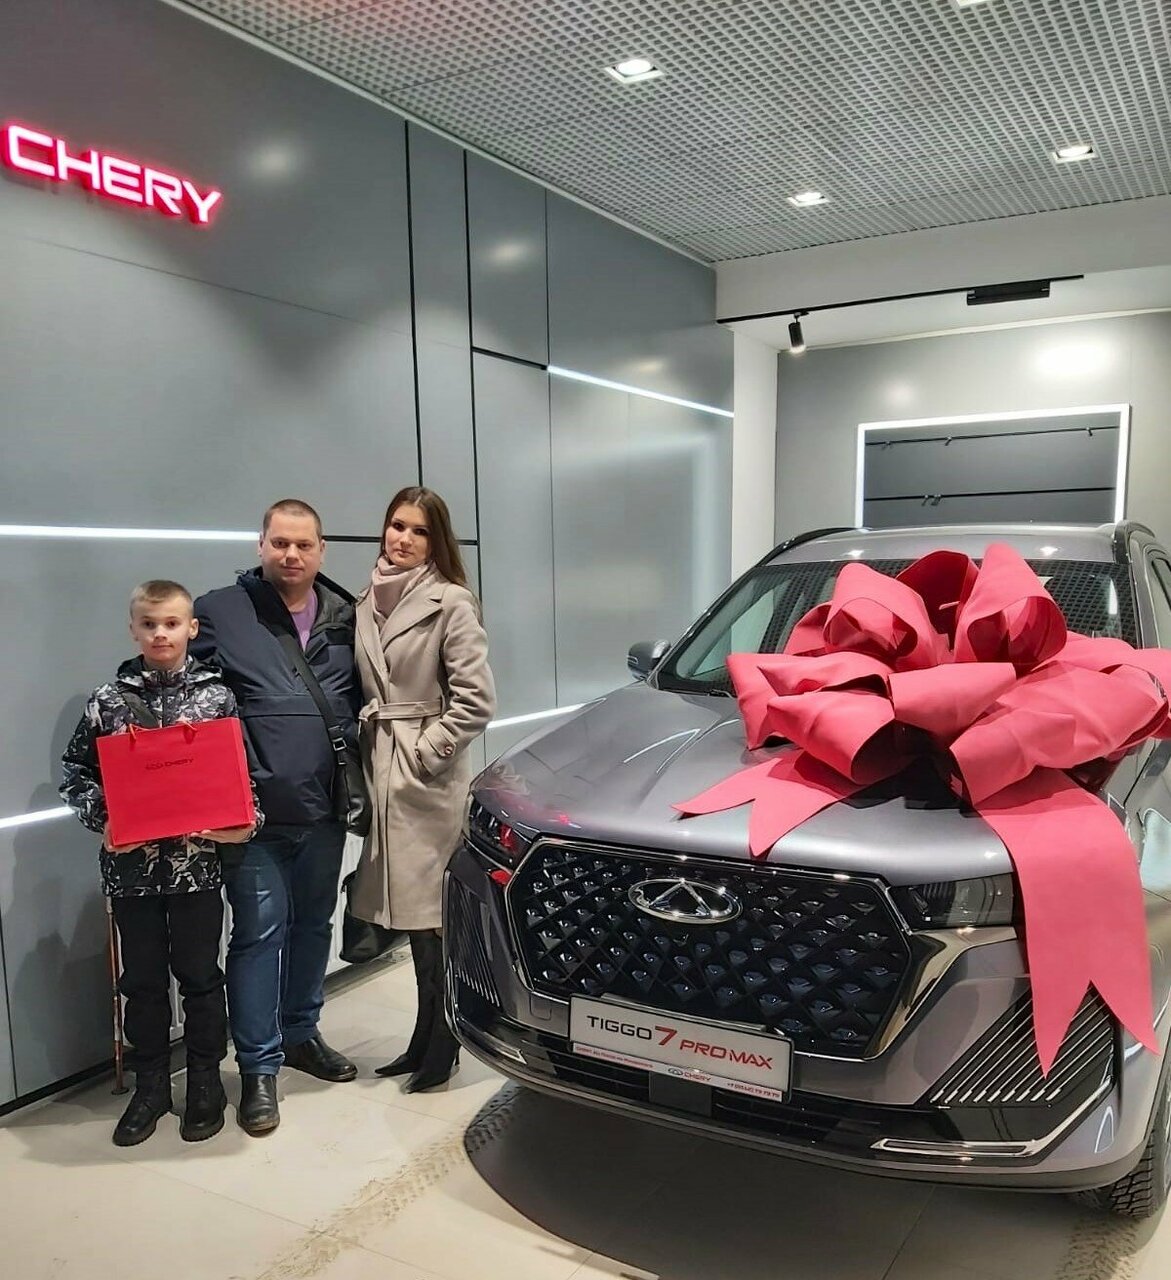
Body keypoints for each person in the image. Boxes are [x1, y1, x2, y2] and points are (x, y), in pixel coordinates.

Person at [60, 580, 258, 1147]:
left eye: (171, 623)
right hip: (131, 873)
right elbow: (75, 774)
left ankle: (204, 1082)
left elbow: (242, 777)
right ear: (134, 630)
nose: (160, 634)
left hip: (198, 869)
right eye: (149, 624)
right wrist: (105, 819)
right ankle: (150, 1087)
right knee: (142, 983)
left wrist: (246, 821)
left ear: (191, 628)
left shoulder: (217, 698)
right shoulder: (107, 701)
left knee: (201, 978)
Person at [192, 499, 360, 1137]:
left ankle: (301, 1035)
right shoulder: (220, 611)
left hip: (325, 810)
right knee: (259, 938)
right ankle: (258, 1068)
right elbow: (191, 702)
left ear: (321, 551)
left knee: (314, 926)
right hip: (254, 820)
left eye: (304, 544)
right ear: (260, 544)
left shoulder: (346, 614)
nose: (292, 555)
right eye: (280, 543)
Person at [350, 486, 496, 1092]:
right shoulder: (367, 599)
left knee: (435, 918)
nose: (403, 539)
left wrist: (426, 750)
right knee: (412, 921)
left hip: (425, 779)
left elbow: (476, 700)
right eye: (396, 525)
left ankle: (445, 1041)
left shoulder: (451, 601)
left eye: (418, 530)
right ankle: (423, 1036)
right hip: (383, 771)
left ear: (436, 541)